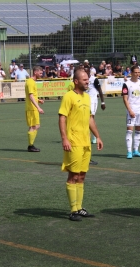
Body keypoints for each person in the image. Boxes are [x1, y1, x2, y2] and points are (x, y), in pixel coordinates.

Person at [59, 69, 103, 221]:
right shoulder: (69, 96)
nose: (87, 81)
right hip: (74, 142)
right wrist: (64, 138)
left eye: (88, 79)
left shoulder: (87, 97)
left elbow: (90, 119)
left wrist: (97, 136)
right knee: (73, 175)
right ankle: (72, 210)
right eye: (84, 79)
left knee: (82, 176)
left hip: (86, 143)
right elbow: (62, 118)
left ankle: (79, 208)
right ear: (76, 81)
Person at [122, 65, 140, 159]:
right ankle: (129, 151)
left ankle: (136, 150)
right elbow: (125, 99)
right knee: (129, 131)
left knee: (138, 131)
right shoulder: (127, 84)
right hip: (131, 109)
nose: (137, 74)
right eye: (135, 72)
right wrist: (130, 110)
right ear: (131, 73)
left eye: (138, 72)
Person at [25, 66, 44, 152]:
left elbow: (32, 96)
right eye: (40, 73)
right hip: (32, 108)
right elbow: (30, 96)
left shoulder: (32, 82)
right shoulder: (30, 82)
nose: (42, 74)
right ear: (35, 72)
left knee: (36, 126)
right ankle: (30, 146)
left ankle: (31, 145)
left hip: (33, 108)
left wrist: (38, 100)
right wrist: (38, 107)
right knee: (34, 126)